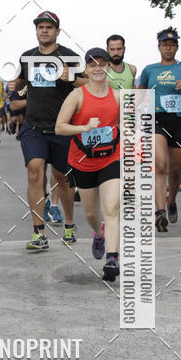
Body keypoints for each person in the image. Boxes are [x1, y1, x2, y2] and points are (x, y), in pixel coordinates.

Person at [15, 10, 80, 251]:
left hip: (61, 128)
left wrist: (70, 77)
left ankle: (70, 225)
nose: (44, 30)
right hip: (33, 126)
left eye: (49, 27)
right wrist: (17, 86)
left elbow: (88, 83)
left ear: (57, 31)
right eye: (40, 27)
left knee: (63, 178)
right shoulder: (27, 57)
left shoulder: (69, 56)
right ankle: (38, 232)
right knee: (35, 172)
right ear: (36, 31)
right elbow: (22, 84)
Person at [56, 48, 121, 281]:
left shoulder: (118, 96)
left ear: (108, 68)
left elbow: (133, 125)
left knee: (112, 207)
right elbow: (60, 127)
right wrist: (84, 128)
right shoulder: (77, 95)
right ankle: (98, 233)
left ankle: (112, 258)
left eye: (102, 64)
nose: (98, 68)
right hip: (82, 161)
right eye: (93, 64)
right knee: (92, 212)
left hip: (111, 158)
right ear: (86, 68)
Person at [139, 27, 181, 231]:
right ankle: (159, 212)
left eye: (172, 44)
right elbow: (139, 97)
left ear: (177, 47)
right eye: (164, 44)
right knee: (159, 166)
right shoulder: (149, 70)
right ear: (158, 47)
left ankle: (172, 200)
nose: (168, 47)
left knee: (175, 171)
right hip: (157, 120)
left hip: (179, 121)